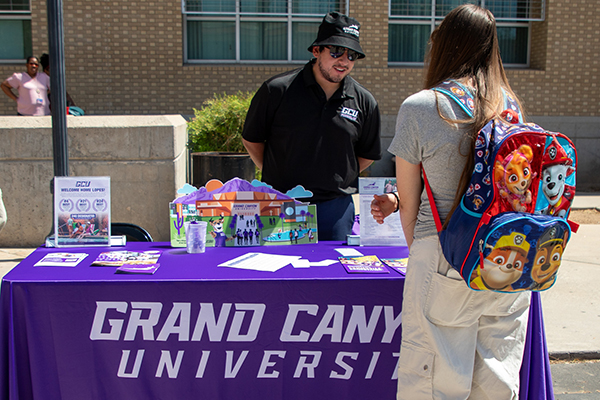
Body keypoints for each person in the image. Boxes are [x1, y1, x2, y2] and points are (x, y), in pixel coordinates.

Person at [370, 5, 531, 398]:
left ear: (443, 45)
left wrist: (424, 255)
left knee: (434, 382)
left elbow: (409, 203)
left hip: (444, 254)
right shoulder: (509, 105)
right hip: (506, 258)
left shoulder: (423, 106)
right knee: (495, 377)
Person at [242, 12, 381, 241]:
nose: (344, 61)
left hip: (335, 210)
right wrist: (277, 173)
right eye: (336, 51)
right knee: (277, 273)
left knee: (333, 275)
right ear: (316, 51)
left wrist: (335, 177)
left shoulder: (364, 102)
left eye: (352, 55)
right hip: (280, 205)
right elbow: (252, 139)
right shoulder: (277, 91)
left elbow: (367, 155)